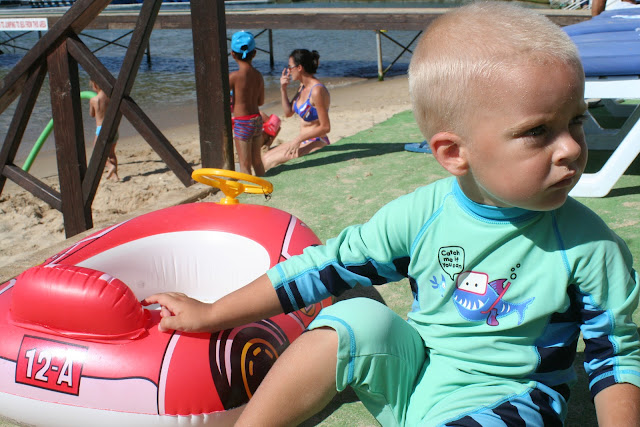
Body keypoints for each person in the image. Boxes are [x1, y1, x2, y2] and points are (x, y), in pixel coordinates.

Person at [143, 3, 640, 426]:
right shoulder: (424, 213)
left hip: (505, 400)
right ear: (453, 153)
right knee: (354, 315)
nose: (572, 148)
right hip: (414, 373)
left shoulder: (589, 247)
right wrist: (210, 313)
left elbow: (615, 359)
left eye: (576, 120)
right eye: (539, 132)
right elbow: (320, 268)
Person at [261, 49, 331, 171]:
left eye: (290, 67)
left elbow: (325, 127)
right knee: (264, 158)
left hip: (317, 141)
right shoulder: (302, 87)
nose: (288, 70)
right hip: (303, 141)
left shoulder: (317, 90)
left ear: (299, 68)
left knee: (268, 163)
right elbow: (288, 113)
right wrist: (283, 89)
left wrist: (298, 139)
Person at [229, 31, 265, 176]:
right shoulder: (258, 76)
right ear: (254, 53)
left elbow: (224, 101)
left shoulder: (233, 77)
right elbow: (260, 101)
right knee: (257, 162)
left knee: (244, 165)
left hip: (242, 123)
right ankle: (265, 189)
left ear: (232, 54)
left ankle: (248, 194)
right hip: (257, 120)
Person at [89, 80, 119, 181]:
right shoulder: (110, 98)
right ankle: (115, 176)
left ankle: (110, 167)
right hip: (113, 128)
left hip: (101, 129)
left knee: (96, 151)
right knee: (111, 153)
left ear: (94, 84)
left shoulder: (94, 100)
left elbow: (92, 114)